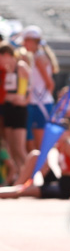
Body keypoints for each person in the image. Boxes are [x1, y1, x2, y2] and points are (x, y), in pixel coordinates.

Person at [0, 117, 70, 199]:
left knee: (24, 191)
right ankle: (17, 185)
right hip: (59, 181)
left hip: (64, 188)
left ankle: (15, 191)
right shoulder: (60, 146)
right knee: (36, 155)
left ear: (69, 132)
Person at [22, 25, 59, 153]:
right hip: (35, 103)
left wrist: (40, 99)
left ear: (33, 41)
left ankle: (45, 172)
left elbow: (50, 83)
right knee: (31, 145)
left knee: (40, 147)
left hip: (40, 104)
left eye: (26, 40)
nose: (23, 44)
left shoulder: (39, 57)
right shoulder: (35, 57)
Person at [0, 42, 31, 174]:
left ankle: (32, 177)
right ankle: (19, 175)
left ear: (6, 55)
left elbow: (31, 87)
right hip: (8, 109)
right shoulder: (6, 69)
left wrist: (25, 101)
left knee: (19, 148)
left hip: (19, 110)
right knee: (11, 148)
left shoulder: (21, 67)